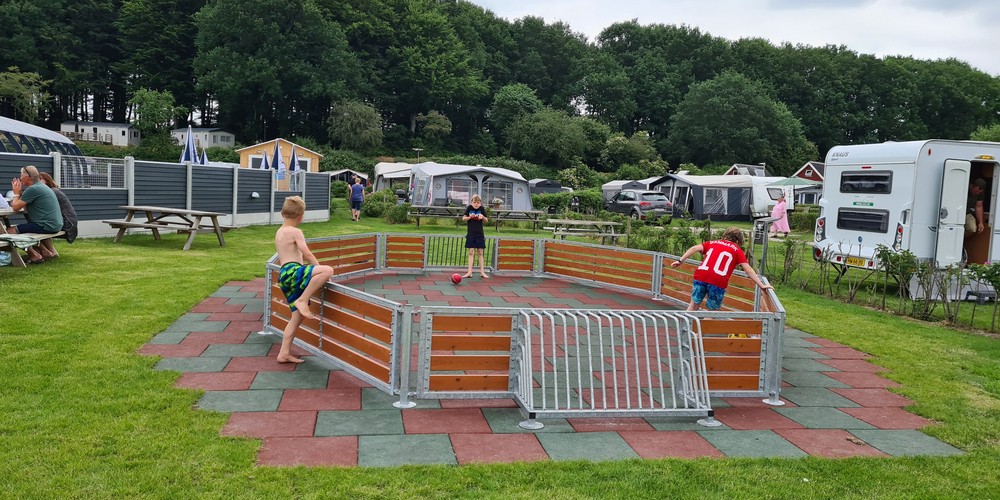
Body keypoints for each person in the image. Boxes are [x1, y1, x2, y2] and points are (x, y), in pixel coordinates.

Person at [274, 196, 335, 363]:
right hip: (293, 270)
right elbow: (307, 254)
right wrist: (319, 269)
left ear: (282, 214)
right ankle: (303, 299)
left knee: (296, 317)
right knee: (327, 270)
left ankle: (283, 353)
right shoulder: (296, 232)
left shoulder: (280, 231)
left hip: (284, 275)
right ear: (301, 216)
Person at [670, 227, 773, 311]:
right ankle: (701, 334)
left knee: (693, 305)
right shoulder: (737, 250)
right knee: (712, 310)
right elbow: (747, 269)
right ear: (738, 240)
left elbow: (694, 248)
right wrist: (761, 285)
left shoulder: (712, 243)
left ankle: (685, 330)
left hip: (701, 276)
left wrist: (680, 261)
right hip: (717, 281)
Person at [8, 165, 63, 264]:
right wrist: (20, 194)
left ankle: (34, 255)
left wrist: (16, 193)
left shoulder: (33, 189)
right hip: (55, 224)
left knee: (9, 232)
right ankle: (45, 251)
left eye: (21, 175)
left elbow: (15, 207)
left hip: (46, 225)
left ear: (27, 177)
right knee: (24, 229)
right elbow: (24, 207)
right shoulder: (42, 187)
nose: (20, 178)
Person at [38, 172, 79, 244]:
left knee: (38, 227)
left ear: (47, 180)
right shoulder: (53, 190)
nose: (38, 181)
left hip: (67, 224)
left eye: (40, 179)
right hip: (69, 223)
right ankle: (47, 251)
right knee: (39, 225)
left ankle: (43, 251)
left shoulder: (52, 192)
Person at [462, 194, 489, 279]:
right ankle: (469, 272)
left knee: (480, 252)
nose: (476, 204)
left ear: (480, 203)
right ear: (471, 202)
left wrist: (483, 217)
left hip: (479, 234)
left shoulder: (481, 209)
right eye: (474, 202)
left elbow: (486, 221)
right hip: (471, 234)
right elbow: (463, 218)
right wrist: (470, 217)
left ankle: (482, 272)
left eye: (478, 202)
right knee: (471, 252)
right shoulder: (469, 208)